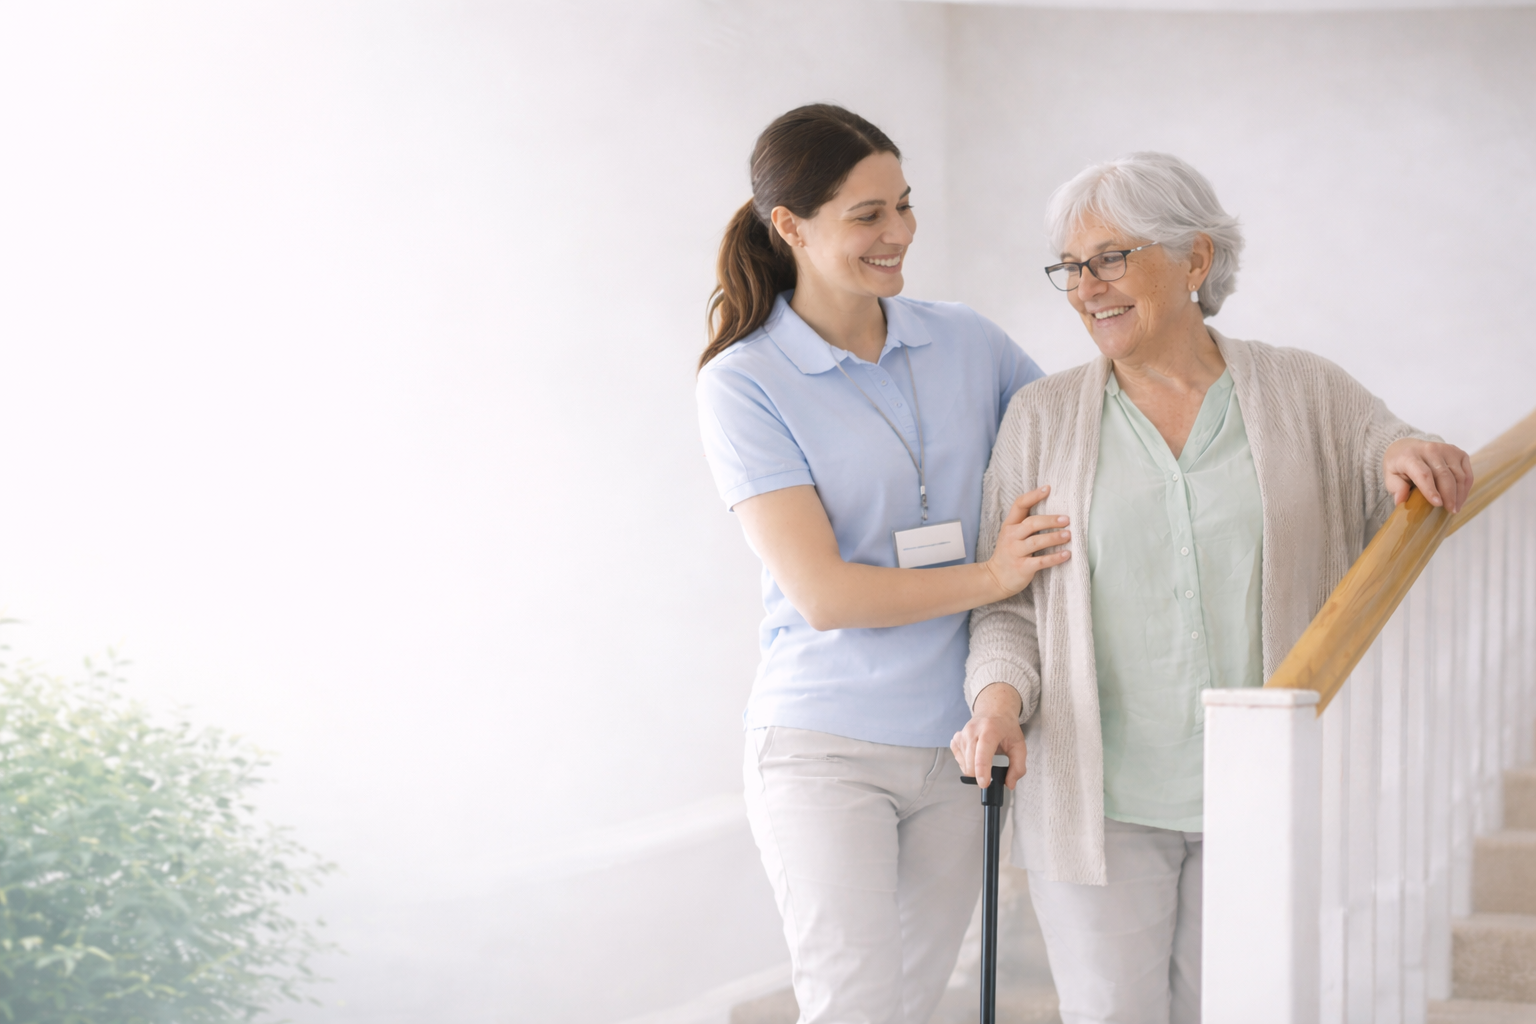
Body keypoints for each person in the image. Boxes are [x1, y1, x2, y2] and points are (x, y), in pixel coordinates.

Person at [950, 152, 1473, 1024]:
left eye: (1112, 257)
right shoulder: (1041, 420)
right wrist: (997, 702)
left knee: (1244, 1008)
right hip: (1102, 799)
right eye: (1072, 268)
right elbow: (1010, 609)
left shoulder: (1302, 389)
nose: (1087, 288)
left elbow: (1384, 446)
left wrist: (1404, 453)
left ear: (1195, 260)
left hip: (1265, 791)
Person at [695, 104, 1070, 1024]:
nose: (898, 233)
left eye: (903, 205)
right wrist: (992, 575)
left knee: (909, 1000)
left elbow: (1084, 435)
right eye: (867, 215)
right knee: (856, 1004)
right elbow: (823, 594)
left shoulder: (966, 341)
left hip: (955, 746)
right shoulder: (743, 382)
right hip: (824, 747)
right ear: (791, 226)